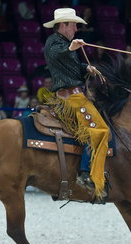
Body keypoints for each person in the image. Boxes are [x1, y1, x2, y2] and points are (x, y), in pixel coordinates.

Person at [43, 8, 109, 198]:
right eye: (73, 25)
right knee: (101, 131)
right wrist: (71, 48)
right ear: (63, 25)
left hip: (73, 95)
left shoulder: (63, 42)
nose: (76, 28)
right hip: (71, 98)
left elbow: (69, 65)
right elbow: (56, 55)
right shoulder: (54, 42)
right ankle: (92, 177)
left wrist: (85, 67)